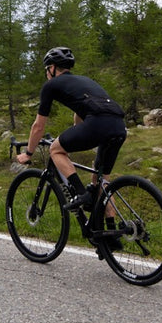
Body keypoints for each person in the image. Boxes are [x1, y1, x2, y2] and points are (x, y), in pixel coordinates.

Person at [16, 46, 127, 220]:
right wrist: (75, 135)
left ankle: (81, 194)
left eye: (47, 69)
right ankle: (111, 233)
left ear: (52, 68)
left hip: (98, 123)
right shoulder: (83, 81)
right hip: (119, 126)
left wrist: (28, 154)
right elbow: (80, 115)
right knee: (102, 181)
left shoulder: (51, 85)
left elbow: (38, 126)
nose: (47, 73)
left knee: (55, 149)